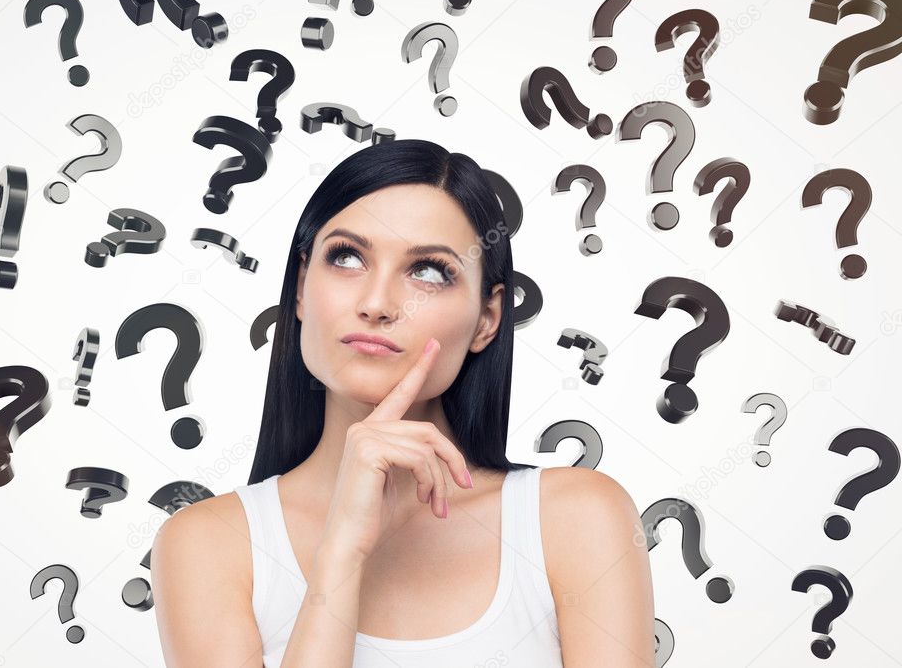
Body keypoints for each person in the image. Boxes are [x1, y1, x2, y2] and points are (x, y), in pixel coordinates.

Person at [151, 139, 655, 667]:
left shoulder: (575, 518)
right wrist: (341, 550)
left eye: (430, 272)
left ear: (487, 318)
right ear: (301, 287)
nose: (377, 304)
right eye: (347, 258)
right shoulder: (209, 545)